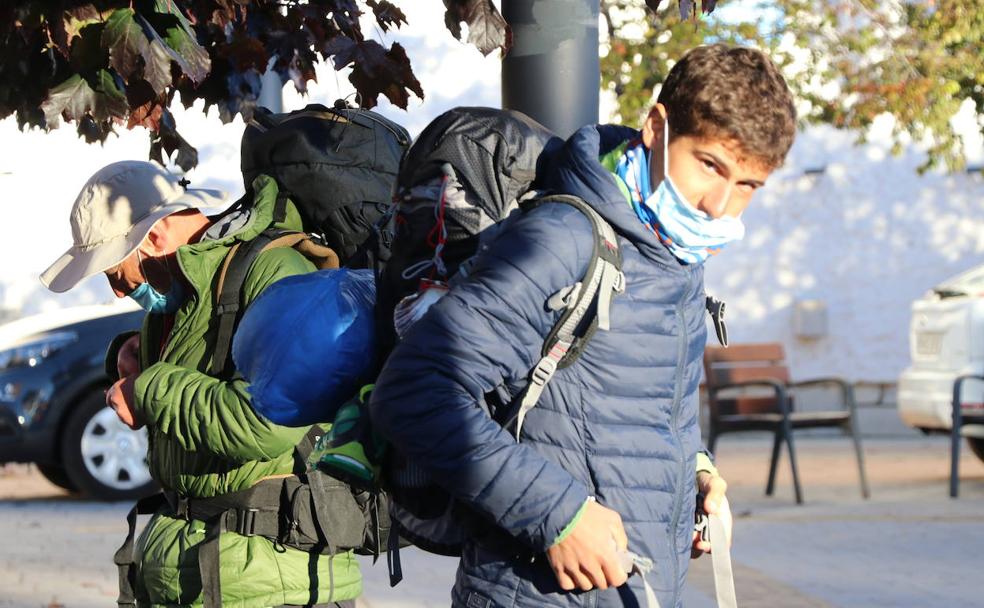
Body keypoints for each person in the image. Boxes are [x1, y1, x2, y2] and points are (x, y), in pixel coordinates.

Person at [368, 43, 796, 607]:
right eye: (710, 165)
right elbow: (413, 393)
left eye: (748, 186)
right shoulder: (563, 237)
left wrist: (695, 472)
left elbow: (647, 411)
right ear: (656, 127)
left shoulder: (675, 257)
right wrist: (558, 514)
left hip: (637, 589)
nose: (720, 205)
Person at [40, 161, 361, 607]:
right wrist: (130, 354)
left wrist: (149, 391)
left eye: (117, 274)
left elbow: (268, 420)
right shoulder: (187, 292)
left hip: (272, 582)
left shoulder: (275, 273)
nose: (118, 293)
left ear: (152, 237)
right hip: (203, 569)